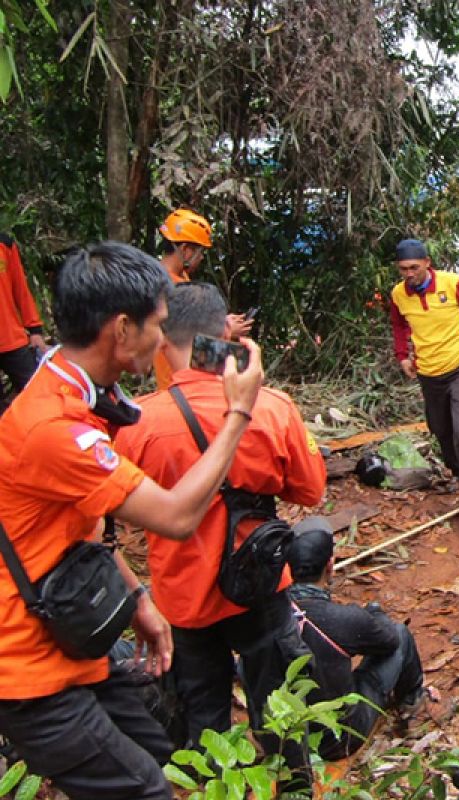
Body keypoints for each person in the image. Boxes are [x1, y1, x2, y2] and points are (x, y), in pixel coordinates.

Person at [0, 242, 264, 800]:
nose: (164, 341)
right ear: (121, 329)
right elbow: (175, 516)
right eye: (158, 326)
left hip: (71, 643)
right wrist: (239, 411)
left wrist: (138, 597)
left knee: (166, 759)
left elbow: (87, 520)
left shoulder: (69, 386)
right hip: (28, 671)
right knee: (148, 790)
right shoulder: (55, 429)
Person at [113, 281, 324, 787]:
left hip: (182, 595)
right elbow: (310, 490)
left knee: (203, 713)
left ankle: (212, 791)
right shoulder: (272, 406)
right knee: (278, 703)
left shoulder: (137, 425)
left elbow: (114, 515)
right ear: (224, 334)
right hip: (259, 584)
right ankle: (294, 789)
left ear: (164, 339)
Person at [285, 519, 431, 761]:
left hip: (284, 738)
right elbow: (390, 640)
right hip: (337, 739)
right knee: (401, 635)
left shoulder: (267, 616)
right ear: (330, 566)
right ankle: (411, 704)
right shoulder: (344, 618)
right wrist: (374, 613)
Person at [387, 239, 459, 518]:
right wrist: (402, 355)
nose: (409, 274)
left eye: (414, 267)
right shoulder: (399, 294)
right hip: (428, 371)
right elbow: (399, 325)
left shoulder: (453, 283)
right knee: (442, 431)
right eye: (403, 269)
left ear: (427, 262)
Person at [154, 208, 251, 388]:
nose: (201, 258)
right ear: (186, 250)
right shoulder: (165, 287)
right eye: (200, 253)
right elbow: (185, 331)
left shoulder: (179, 276)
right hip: (176, 379)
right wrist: (225, 328)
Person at [0, 233, 48, 414]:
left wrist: (35, 329)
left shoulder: (4, 244)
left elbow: (20, 288)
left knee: (37, 395)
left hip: (12, 338)